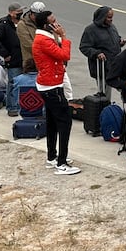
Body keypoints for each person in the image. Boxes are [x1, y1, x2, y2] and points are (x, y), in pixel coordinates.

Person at [33, 10, 80, 175]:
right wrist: (64, 37)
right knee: (64, 121)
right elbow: (64, 55)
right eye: (54, 22)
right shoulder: (43, 40)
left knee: (52, 121)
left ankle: (52, 157)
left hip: (49, 83)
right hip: (52, 86)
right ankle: (61, 163)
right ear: (47, 25)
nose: (58, 24)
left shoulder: (44, 38)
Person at [80, 5, 123, 99]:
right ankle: (104, 109)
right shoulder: (90, 30)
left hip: (114, 65)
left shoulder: (112, 27)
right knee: (105, 93)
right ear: (102, 17)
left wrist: (119, 42)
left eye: (112, 17)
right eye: (109, 17)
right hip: (102, 67)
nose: (111, 20)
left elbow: (114, 39)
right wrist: (97, 53)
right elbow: (84, 47)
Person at [18, 0, 45, 73]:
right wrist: (47, 49)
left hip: (46, 63)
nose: (38, 18)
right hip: (31, 64)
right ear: (31, 13)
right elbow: (28, 44)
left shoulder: (45, 23)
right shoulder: (22, 24)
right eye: (36, 16)